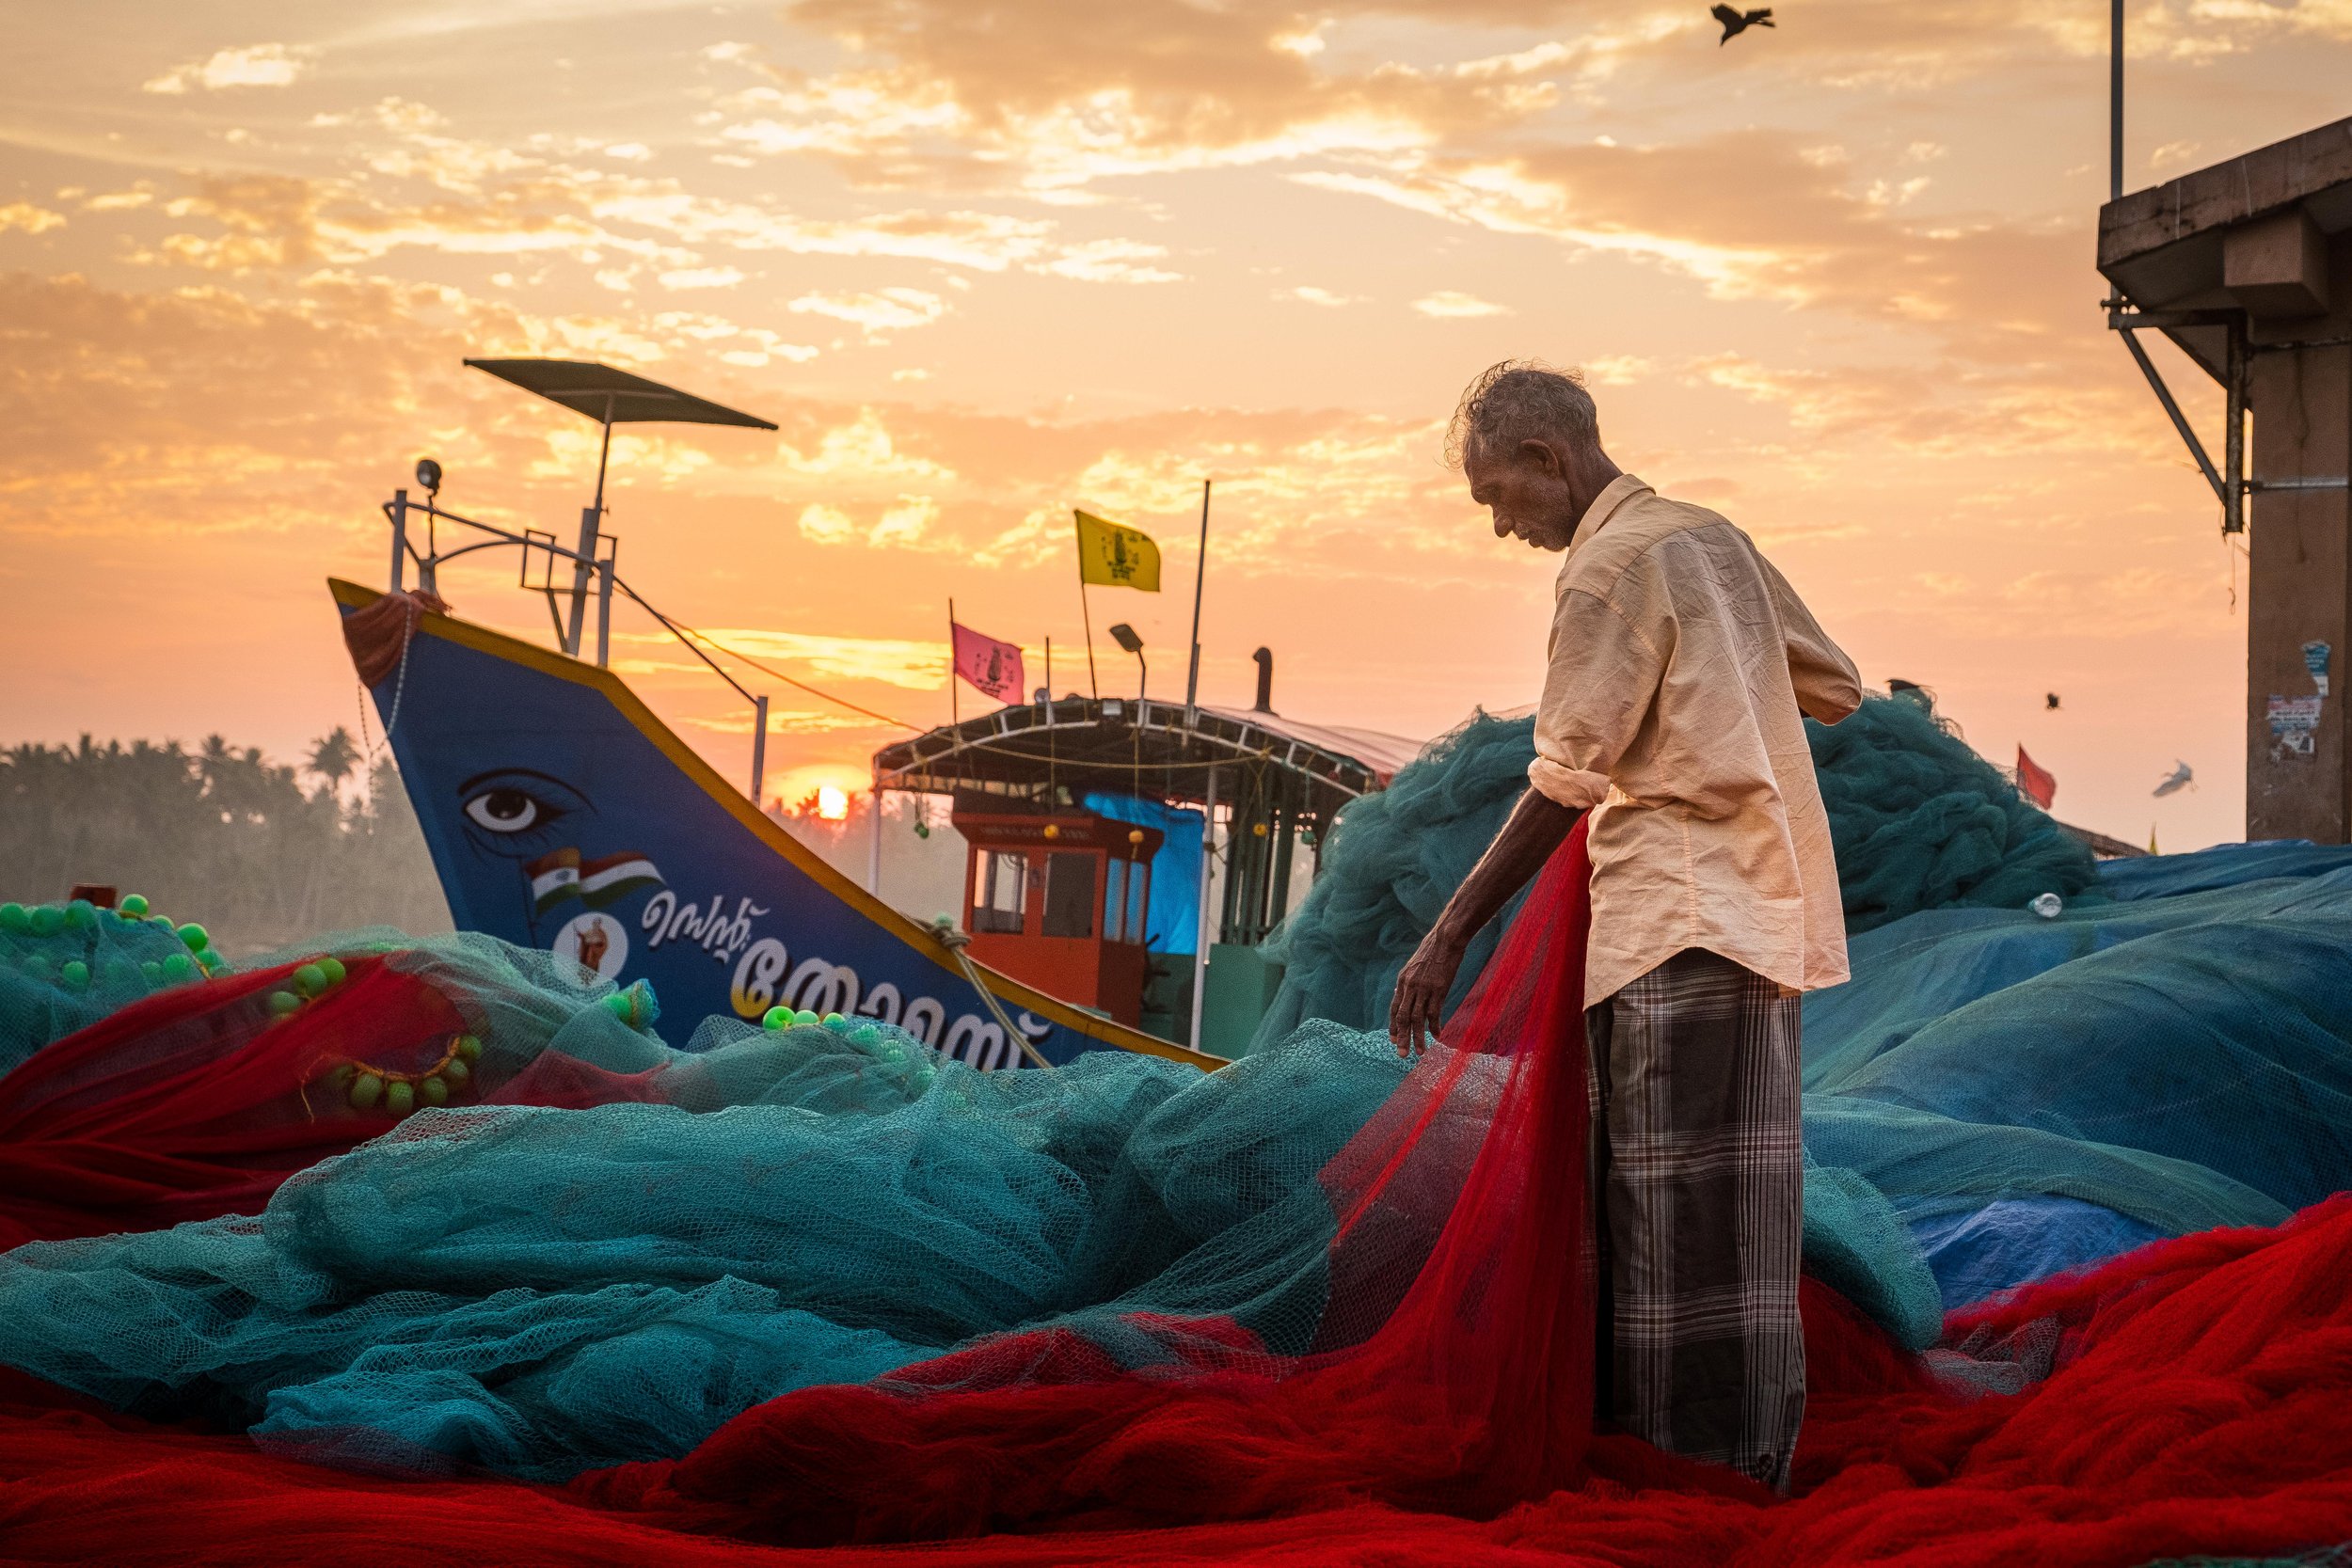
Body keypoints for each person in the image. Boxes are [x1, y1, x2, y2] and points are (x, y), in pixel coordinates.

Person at [1388, 359, 1862, 1493]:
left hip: (1669, 923)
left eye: (1500, 495)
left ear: (1550, 459)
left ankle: (1674, 1481)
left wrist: (1446, 933)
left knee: (1660, 1213)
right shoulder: (1710, 537)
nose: (1504, 527)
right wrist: (1719, 696)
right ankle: (1755, 1458)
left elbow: (1563, 778)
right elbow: (1833, 683)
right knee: (1741, 1209)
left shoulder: (1605, 571)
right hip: (1759, 916)